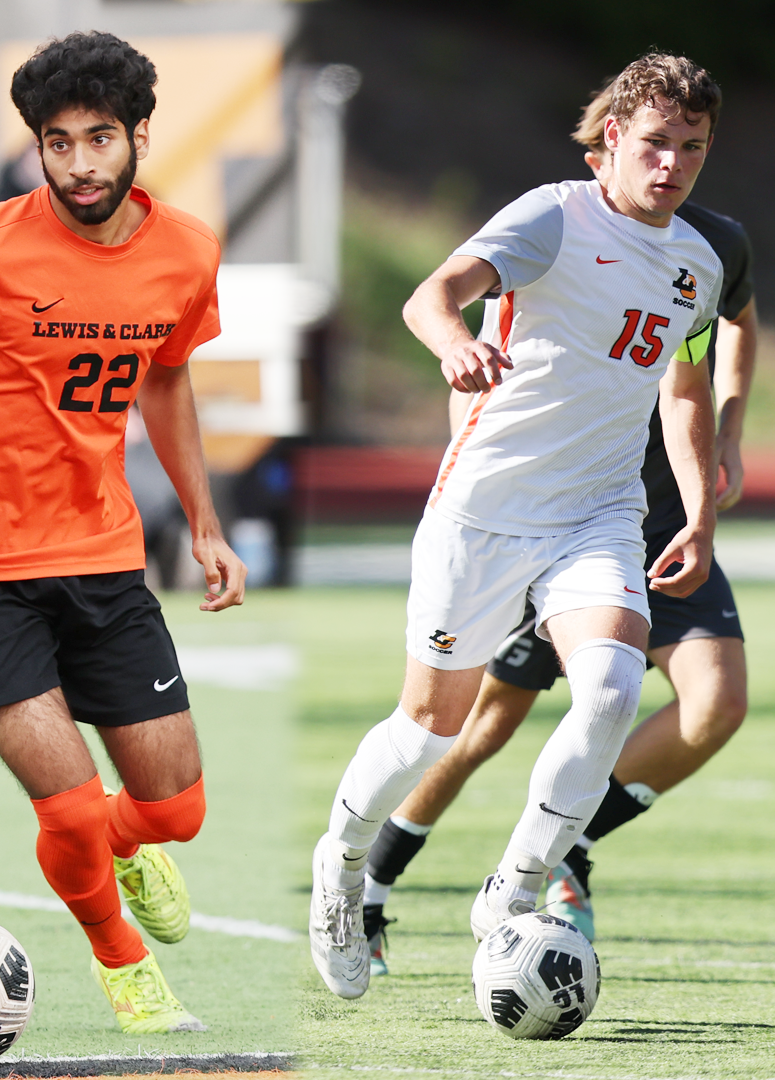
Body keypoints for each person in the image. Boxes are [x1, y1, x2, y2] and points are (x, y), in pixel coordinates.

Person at [0, 31, 245, 1034]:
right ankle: (124, 966)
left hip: (104, 559)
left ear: (139, 135)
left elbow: (166, 377)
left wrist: (205, 522)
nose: (80, 165)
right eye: (56, 144)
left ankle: (130, 851)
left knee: (170, 814)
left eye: (99, 139)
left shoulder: (188, 249)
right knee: (65, 811)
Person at [309, 53, 724, 1001]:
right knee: (429, 728)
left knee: (613, 689)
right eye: (657, 143)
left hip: (599, 514)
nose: (673, 166)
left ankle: (518, 884)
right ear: (613, 135)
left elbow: (684, 393)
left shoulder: (696, 264)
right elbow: (432, 295)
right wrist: (458, 344)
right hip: (488, 508)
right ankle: (340, 867)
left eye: (692, 148)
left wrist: (697, 512)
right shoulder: (552, 215)